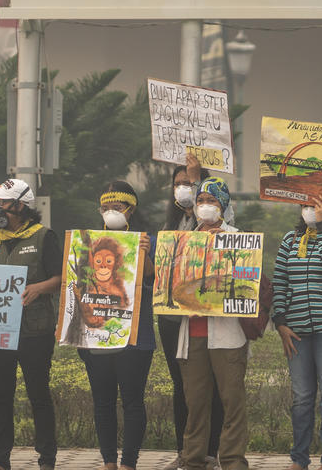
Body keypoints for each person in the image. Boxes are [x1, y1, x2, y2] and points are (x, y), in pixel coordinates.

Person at [0, 178, 62, 470]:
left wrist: (39, 288)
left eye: (2, 203)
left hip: (35, 330)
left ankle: (47, 458)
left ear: (20, 206)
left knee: (38, 394)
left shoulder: (45, 236)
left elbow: (61, 278)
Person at [173, 177, 251, 470]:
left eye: (213, 201)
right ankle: (192, 459)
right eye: (201, 201)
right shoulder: (183, 240)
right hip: (192, 333)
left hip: (228, 335)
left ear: (224, 206)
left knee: (232, 402)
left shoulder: (239, 240)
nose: (205, 207)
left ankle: (232, 461)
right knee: (195, 403)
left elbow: (247, 285)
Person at [77, 181, 155, 470]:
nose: (110, 212)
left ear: (131, 210)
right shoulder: (87, 243)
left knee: (133, 400)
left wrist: (145, 254)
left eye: (117, 207)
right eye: (105, 208)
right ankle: (109, 461)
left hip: (135, 337)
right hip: (96, 335)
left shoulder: (148, 240)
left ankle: (129, 462)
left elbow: (153, 282)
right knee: (103, 401)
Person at [272, 195, 322, 470]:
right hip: (296, 331)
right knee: (302, 397)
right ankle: (299, 458)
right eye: (305, 205)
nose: (309, 210)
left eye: (316, 205)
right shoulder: (290, 240)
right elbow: (280, 281)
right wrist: (280, 322)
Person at [157, 155, 224, 470]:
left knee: (208, 385)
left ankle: (210, 452)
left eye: (191, 184)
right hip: (173, 317)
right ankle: (185, 452)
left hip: (206, 315)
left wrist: (200, 182)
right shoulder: (169, 222)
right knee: (181, 386)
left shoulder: (217, 219)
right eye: (180, 183)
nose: (185, 188)